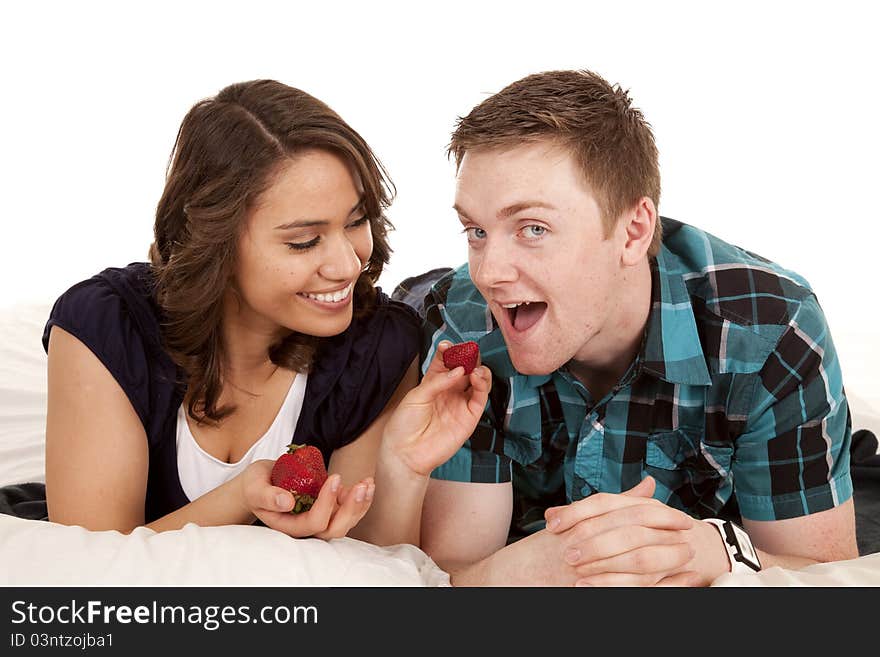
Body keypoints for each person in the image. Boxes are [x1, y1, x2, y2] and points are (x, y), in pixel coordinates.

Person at [382, 69, 859, 585]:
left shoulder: (772, 331)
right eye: (476, 230)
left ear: (633, 232)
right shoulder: (461, 322)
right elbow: (452, 575)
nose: (489, 272)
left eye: (533, 228)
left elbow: (827, 575)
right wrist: (536, 567)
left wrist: (719, 551)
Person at [42, 79, 422, 541]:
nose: (348, 265)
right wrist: (241, 497)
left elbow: (377, 565)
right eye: (304, 241)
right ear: (213, 240)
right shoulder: (105, 326)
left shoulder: (381, 346)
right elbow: (88, 568)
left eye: (357, 220)